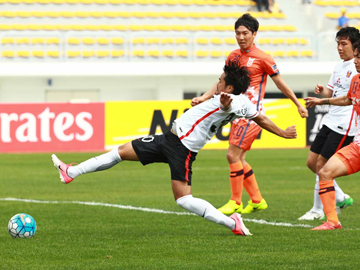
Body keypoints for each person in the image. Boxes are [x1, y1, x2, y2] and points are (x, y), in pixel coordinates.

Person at [52, 63, 297, 236]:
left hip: (182, 149)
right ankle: (71, 173)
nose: (217, 82)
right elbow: (260, 118)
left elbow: (231, 105)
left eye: (221, 81)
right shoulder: (238, 100)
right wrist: (283, 133)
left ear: (230, 88)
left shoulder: (230, 100)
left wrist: (227, 103)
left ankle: (231, 221)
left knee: (184, 200)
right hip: (169, 139)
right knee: (120, 152)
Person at [191, 13, 307, 216]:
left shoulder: (263, 58)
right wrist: (204, 96)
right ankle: (257, 200)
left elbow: (280, 83)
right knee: (240, 158)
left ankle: (235, 202)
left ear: (254, 34)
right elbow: (223, 79)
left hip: (251, 114)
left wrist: (298, 104)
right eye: (237, 33)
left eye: (245, 33)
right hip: (236, 114)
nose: (241, 37)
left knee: (232, 155)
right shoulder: (233, 56)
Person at [298, 27, 359, 221]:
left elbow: (348, 99)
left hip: (345, 124)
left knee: (322, 165)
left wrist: (322, 101)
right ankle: (340, 197)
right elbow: (333, 93)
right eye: (338, 44)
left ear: (354, 46)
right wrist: (323, 91)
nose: (340, 48)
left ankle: (317, 210)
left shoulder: (356, 68)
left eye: (344, 44)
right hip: (331, 120)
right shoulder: (339, 67)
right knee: (312, 163)